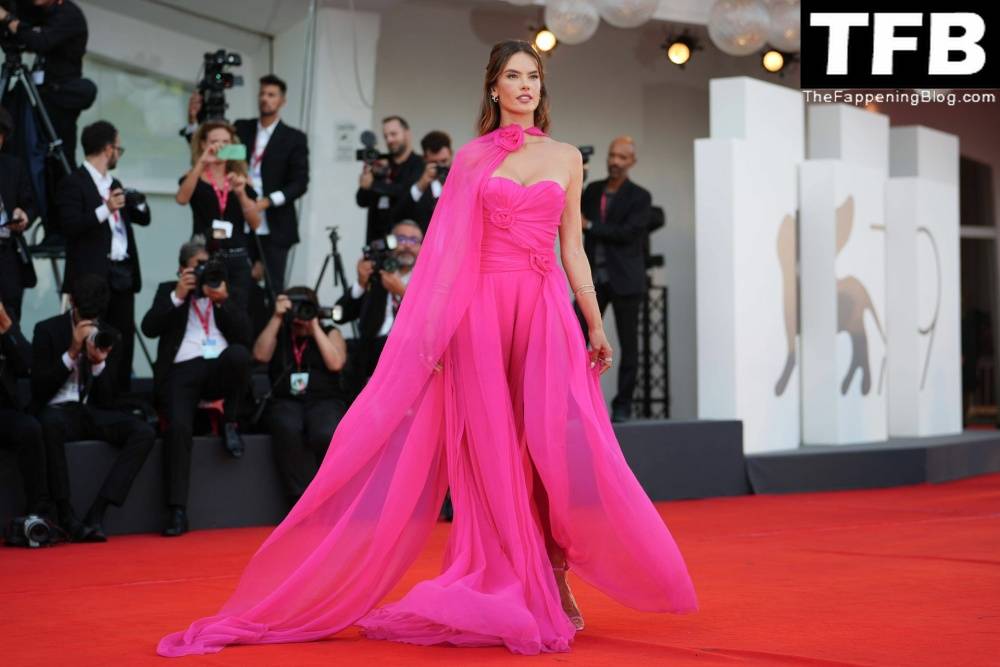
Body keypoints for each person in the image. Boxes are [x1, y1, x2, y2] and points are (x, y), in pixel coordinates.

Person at [158, 40, 696, 658]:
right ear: (494, 88)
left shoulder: (567, 157)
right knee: (495, 452)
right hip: (482, 313)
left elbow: (572, 246)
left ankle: (553, 572)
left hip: (544, 310)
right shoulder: (469, 161)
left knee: (548, 445)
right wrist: (434, 331)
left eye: (534, 77)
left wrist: (594, 322)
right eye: (514, 77)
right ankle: (516, 580)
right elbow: (449, 255)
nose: (525, 86)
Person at [141, 239, 253, 537]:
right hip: (182, 369)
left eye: (208, 266)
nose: (204, 272)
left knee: (239, 355)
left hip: (218, 364)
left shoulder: (223, 289)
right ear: (182, 269)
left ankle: (230, 421)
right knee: (177, 429)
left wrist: (223, 300)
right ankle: (177, 510)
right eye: (198, 267)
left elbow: (245, 336)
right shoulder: (170, 289)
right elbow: (149, 327)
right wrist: (178, 296)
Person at [31, 274, 155, 542]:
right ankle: (65, 513)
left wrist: (99, 364)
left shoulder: (111, 335)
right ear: (72, 303)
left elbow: (109, 399)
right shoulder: (47, 330)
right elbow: (38, 390)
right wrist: (72, 352)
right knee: (50, 422)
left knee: (143, 432)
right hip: (56, 409)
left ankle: (98, 512)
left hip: (89, 411)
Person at [59, 120, 151, 394]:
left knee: (122, 338)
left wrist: (138, 200)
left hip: (122, 271)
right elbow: (70, 225)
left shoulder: (115, 183)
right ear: (107, 148)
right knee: (93, 337)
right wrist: (105, 208)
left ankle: (120, 397)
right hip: (92, 275)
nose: (117, 154)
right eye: (118, 148)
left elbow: (142, 218)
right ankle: (94, 400)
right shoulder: (73, 182)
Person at [0, 0, 92, 242]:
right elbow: (28, 32)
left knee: (58, 161)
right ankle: (52, 226)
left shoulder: (69, 15)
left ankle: (61, 228)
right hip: (44, 96)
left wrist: (8, 19)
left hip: (60, 99)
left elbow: (42, 41)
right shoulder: (43, 12)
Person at [578, 136, 652, 423]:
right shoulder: (594, 190)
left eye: (622, 157)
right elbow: (574, 214)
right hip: (593, 281)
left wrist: (592, 226)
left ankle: (623, 405)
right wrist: (579, 176)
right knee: (574, 334)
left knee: (628, 345)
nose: (615, 162)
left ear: (632, 162)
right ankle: (574, 399)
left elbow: (628, 234)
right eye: (612, 155)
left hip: (626, 281)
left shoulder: (640, 196)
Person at [252, 286, 347, 504]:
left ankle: (329, 494)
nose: (301, 317)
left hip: (324, 399)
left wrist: (315, 327)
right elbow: (260, 355)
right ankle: (299, 498)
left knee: (324, 432)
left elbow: (336, 363)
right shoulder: (281, 330)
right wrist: (277, 318)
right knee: (287, 428)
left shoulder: (329, 331)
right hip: (287, 399)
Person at [176, 121, 260, 309]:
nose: (221, 146)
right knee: (203, 308)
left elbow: (255, 223)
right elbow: (181, 199)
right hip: (204, 254)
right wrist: (202, 162)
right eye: (215, 141)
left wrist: (240, 192)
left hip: (236, 257)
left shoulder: (241, 178)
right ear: (204, 144)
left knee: (237, 312)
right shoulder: (194, 175)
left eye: (226, 142)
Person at [335, 219, 421, 390]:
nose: (407, 246)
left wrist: (404, 293)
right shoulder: (378, 272)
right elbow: (341, 315)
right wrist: (361, 283)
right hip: (371, 357)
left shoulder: (429, 279)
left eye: (414, 241)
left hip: (411, 358)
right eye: (401, 239)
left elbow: (433, 322)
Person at [0, 300, 51, 520]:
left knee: (29, 428)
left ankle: (37, 513)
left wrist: (5, 325)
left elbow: (27, 365)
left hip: (3, 410)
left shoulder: (6, 316)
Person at [356, 115, 424, 243]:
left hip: (405, 242)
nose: (389, 140)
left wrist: (374, 184)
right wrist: (368, 176)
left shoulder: (418, 164)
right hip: (377, 240)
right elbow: (361, 201)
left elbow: (407, 193)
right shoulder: (381, 164)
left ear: (407, 133)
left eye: (393, 134)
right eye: (386, 136)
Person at [0, 107, 38, 321]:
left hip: (8, 254)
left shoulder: (13, 166)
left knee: (11, 321)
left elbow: (30, 204)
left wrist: (24, 215)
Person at [394, 130, 452, 232]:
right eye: (434, 162)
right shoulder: (414, 179)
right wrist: (421, 185)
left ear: (451, 154)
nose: (441, 167)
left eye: (444, 161)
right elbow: (399, 215)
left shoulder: (463, 180)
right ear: (425, 159)